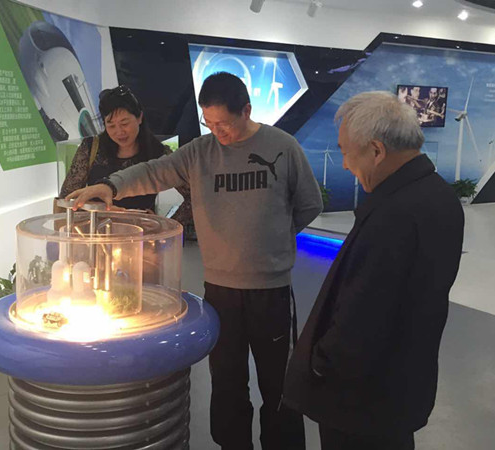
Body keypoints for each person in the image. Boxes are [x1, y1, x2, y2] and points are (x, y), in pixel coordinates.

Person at [66, 72, 322, 450]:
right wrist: (111, 186)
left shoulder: (282, 147)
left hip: (271, 290)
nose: (218, 132)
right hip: (220, 289)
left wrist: (273, 240)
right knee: (227, 381)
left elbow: (309, 204)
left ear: (247, 110)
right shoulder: (200, 152)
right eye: (209, 123)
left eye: (224, 124)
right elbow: (153, 171)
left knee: (279, 382)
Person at [283, 91, 464, 450]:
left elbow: (363, 315)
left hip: (359, 403)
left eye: (346, 152)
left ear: (377, 151)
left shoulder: (394, 215)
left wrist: (320, 364)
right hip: (400, 388)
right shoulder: (439, 196)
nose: (344, 165)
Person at [59, 85, 192, 225]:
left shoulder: (158, 152)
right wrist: (100, 210)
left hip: (141, 233)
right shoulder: (91, 148)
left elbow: (193, 195)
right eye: (111, 125)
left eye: (124, 123)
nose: (119, 132)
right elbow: (67, 198)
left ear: (139, 117)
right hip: (97, 231)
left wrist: (166, 225)